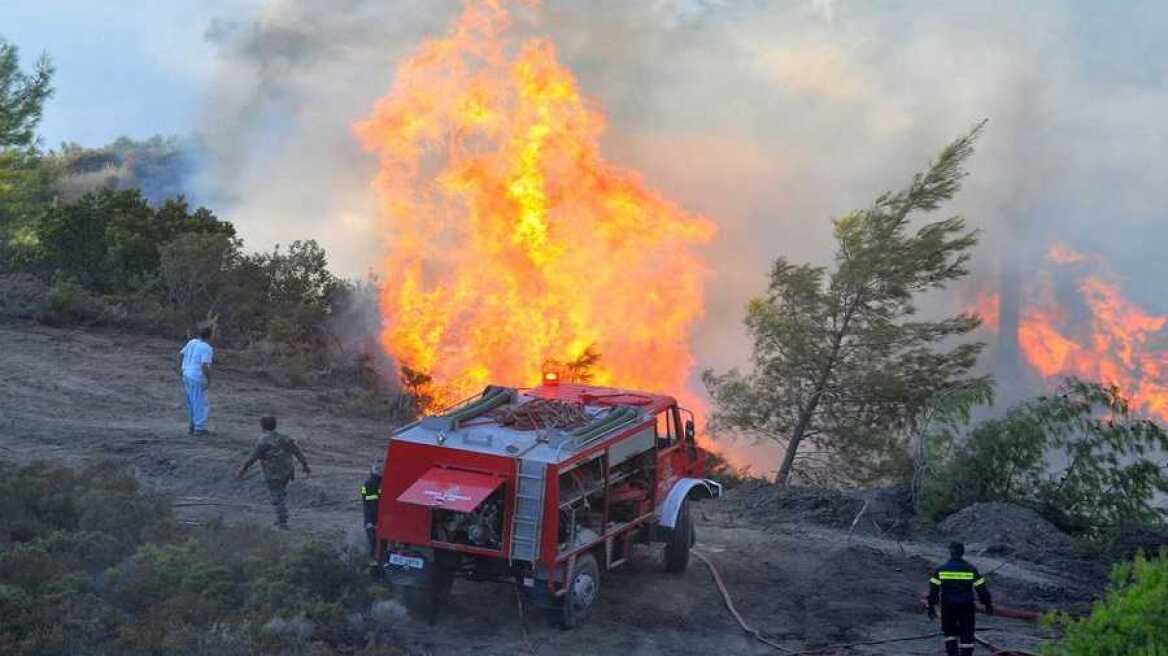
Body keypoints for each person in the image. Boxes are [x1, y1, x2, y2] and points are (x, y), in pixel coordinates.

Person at [237, 416, 310, 529]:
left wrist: (243, 469)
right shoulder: (285, 438)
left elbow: (253, 457)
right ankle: (280, 514)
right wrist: (305, 465)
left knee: (277, 497)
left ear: (262, 426)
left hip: (273, 473)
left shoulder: (263, 441)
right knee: (280, 492)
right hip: (287, 471)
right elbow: (297, 451)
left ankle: (282, 522)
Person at [927, 542, 993, 656]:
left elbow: (934, 590)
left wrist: (931, 606)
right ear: (962, 552)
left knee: (949, 633)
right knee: (967, 633)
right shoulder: (971, 569)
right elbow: (981, 590)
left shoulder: (941, 569)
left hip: (948, 606)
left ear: (950, 552)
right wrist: (988, 604)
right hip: (966, 606)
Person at [177, 327, 214, 435]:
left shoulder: (192, 342)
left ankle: (192, 425)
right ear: (210, 336)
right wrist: (209, 379)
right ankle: (199, 427)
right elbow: (204, 365)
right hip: (196, 376)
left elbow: (180, 355)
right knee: (200, 402)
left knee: (191, 401)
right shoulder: (206, 347)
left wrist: (181, 368)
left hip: (186, 374)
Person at [361, 462, 383, 558]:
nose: (381, 470)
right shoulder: (370, 484)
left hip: (378, 519)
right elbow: (369, 505)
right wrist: (370, 522)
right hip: (373, 520)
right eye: (378, 469)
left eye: (381, 468)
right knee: (374, 544)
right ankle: (373, 561)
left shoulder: (381, 482)